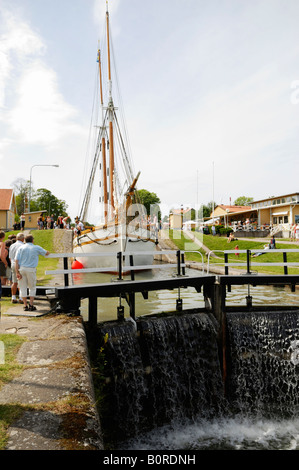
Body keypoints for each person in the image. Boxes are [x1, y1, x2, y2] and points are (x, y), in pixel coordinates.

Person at [15, 235, 50, 312]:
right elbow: (46, 253)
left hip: (22, 268)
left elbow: (16, 261)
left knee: (23, 287)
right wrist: (48, 252)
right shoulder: (36, 247)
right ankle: (31, 304)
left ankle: (25, 305)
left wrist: (17, 272)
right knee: (32, 287)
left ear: (25, 240)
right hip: (31, 269)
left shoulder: (20, 248)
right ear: (32, 240)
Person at [9, 232, 25, 303]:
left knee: (14, 282)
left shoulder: (12, 245)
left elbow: (10, 257)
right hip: (20, 264)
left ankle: (13, 296)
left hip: (13, 263)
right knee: (21, 282)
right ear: (23, 239)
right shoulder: (23, 245)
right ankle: (21, 297)